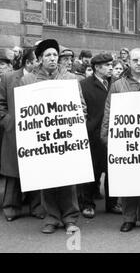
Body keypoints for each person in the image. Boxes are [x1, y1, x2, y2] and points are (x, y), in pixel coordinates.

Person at [21, 39, 86, 234]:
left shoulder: (70, 79)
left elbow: (81, 106)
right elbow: (25, 111)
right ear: (40, 59)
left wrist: (77, 120)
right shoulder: (28, 81)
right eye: (48, 55)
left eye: (55, 55)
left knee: (68, 178)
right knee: (47, 178)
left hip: (65, 137)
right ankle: (51, 217)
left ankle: (70, 217)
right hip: (43, 139)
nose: (52, 58)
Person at [101, 48, 140, 233]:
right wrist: (105, 135)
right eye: (135, 60)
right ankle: (128, 217)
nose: (138, 63)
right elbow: (109, 110)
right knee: (127, 179)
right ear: (129, 61)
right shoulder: (117, 85)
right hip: (125, 142)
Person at [0, 48, 45, 222]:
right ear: (28, 62)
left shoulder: (41, 78)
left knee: (35, 170)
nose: (40, 63)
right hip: (14, 131)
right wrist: (8, 121)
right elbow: (1, 103)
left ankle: (36, 206)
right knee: (13, 170)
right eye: (37, 60)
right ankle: (11, 207)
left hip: (37, 131)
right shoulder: (9, 78)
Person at [79, 53, 122, 219]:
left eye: (111, 65)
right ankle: (87, 204)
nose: (111, 68)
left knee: (112, 169)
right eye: (107, 65)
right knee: (92, 171)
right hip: (93, 134)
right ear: (97, 67)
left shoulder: (116, 84)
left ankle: (112, 203)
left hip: (113, 133)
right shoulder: (84, 85)